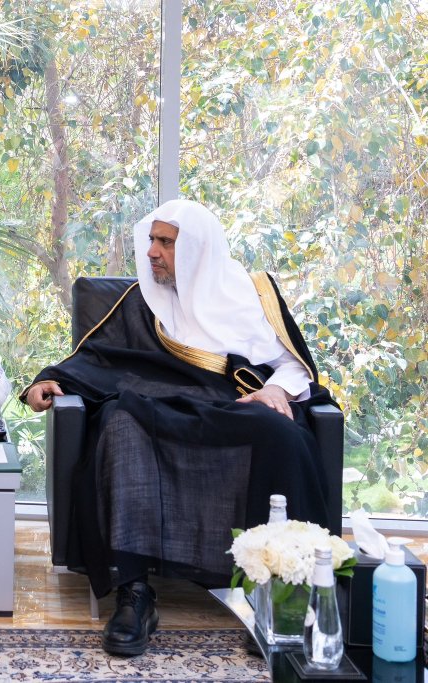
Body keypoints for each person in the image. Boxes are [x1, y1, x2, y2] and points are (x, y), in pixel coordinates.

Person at [21, 199, 334, 657]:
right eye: (151, 240)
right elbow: (99, 359)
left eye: (165, 242)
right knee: (118, 420)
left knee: (282, 434)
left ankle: (278, 597)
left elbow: (294, 364)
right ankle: (134, 593)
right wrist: (49, 381)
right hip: (160, 411)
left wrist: (277, 392)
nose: (152, 252)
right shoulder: (141, 302)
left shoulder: (254, 294)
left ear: (197, 250)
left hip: (233, 410)